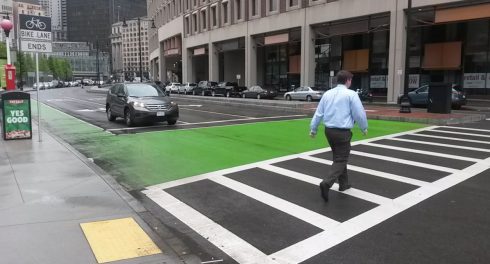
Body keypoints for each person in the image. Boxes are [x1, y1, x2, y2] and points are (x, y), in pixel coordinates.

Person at [310, 70, 368, 202]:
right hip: (342, 133)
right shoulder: (351, 94)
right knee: (341, 159)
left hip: (329, 131)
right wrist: (364, 128)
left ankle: (344, 184)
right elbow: (359, 114)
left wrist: (313, 129)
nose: (351, 82)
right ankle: (327, 183)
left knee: (339, 157)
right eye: (351, 80)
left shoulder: (327, 94)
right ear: (347, 80)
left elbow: (319, 113)